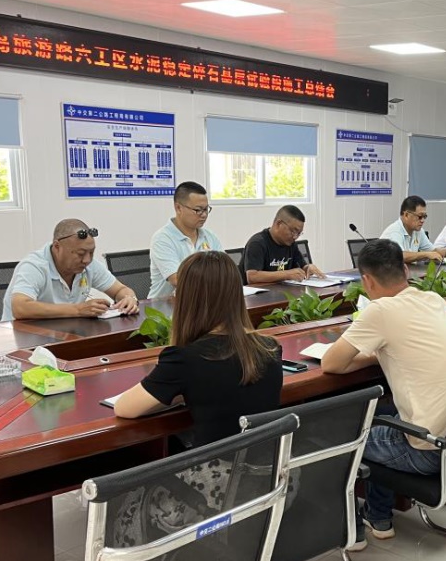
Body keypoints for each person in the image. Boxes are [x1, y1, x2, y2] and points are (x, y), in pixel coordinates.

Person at [322, 240, 446, 541]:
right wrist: (383, 352)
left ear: (366, 280)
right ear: (405, 270)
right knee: (384, 416)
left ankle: (351, 530)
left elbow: (331, 363)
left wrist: (374, 352)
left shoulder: (380, 310)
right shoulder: (433, 299)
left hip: (429, 450)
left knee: (334, 435)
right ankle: (378, 517)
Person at [113, 250, 283, 445]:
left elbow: (124, 408)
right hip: (267, 462)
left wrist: (178, 393)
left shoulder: (184, 358)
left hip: (215, 464)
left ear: (187, 298)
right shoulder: (270, 347)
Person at [2, 219, 139, 322]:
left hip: (63, 334)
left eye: (91, 252)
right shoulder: (34, 266)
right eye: (80, 254)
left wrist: (129, 298)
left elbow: (120, 289)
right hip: (22, 339)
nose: (87, 260)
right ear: (57, 246)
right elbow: (20, 307)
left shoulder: (89, 265)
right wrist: (78, 310)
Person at [149, 181, 224, 298]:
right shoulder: (162, 239)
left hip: (203, 300)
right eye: (198, 210)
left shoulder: (209, 236)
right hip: (164, 306)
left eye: (206, 209)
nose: (204, 215)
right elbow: (178, 280)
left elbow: (224, 271)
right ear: (178, 208)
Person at [243, 205, 326, 285]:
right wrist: (287, 274)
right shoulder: (257, 243)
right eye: (293, 231)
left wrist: (308, 268)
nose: (295, 237)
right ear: (279, 224)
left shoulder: (290, 244)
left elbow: (301, 266)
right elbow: (252, 277)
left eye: (299, 233)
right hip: (261, 293)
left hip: (284, 291)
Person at [380, 196, 446, 263]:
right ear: (406, 215)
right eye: (420, 216)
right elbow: (400, 256)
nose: (422, 220)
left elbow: (433, 251)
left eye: (424, 216)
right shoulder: (394, 231)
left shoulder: (418, 231)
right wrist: (426, 254)